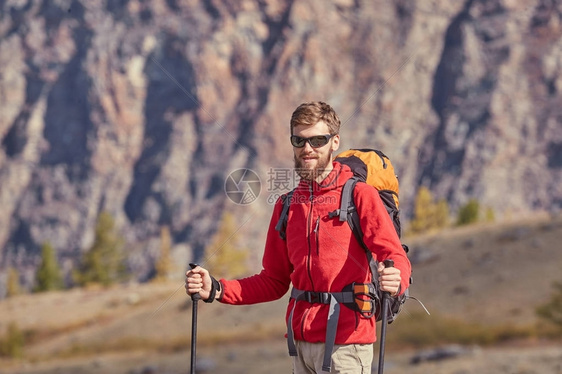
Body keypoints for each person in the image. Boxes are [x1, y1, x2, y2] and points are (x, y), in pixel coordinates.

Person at [185, 101, 411, 373]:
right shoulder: (288, 205)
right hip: (300, 346)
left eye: (318, 140)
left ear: (334, 141)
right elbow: (274, 281)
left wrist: (395, 278)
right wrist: (217, 289)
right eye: (299, 140)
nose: (307, 149)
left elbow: (395, 255)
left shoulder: (360, 196)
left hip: (347, 347)